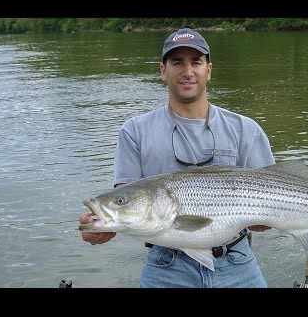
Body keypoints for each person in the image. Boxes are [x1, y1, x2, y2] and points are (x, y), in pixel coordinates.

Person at [80, 27, 276, 288]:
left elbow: (266, 217)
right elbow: (128, 203)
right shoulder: (134, 131)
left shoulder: (245, 129)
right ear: (163, 70)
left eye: (196, 62)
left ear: (209, 70)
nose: (187, 71)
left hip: (237, 261)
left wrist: (266, 218)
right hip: (165, 265)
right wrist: (106, 227)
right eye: (177, 62)